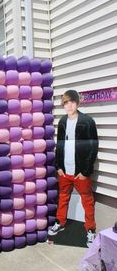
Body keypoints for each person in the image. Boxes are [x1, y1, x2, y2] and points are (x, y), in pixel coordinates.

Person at [48, 90, 98, 247]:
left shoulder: (87, 121)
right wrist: (58, 166)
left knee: (87, 201)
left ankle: (90, 230)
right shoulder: (62, 121)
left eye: (71, 102)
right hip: (65, 171)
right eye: (65, 103)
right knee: (63, 198)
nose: (69, 106)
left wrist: (85, 170)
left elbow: (92, 147)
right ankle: (60, 222)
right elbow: (60, 145)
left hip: (80, 172)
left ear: (77, 103)